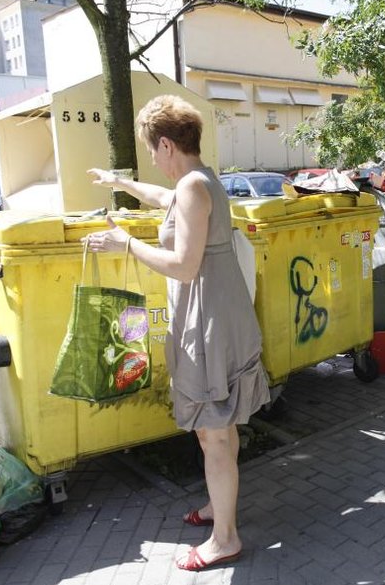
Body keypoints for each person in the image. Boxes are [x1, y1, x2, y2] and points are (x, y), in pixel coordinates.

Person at [83, 95, 270, 572]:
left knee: (216, 436)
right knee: (218, 433)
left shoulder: (192, 187)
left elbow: (185, 267)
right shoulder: (201, 180)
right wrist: (121, 182)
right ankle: (218, 506)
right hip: (219, 316)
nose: (152, 160)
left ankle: (224, 537)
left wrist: (126, 242)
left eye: (152, 151)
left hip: (209, 322)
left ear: (166, 144)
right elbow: (164, 199)